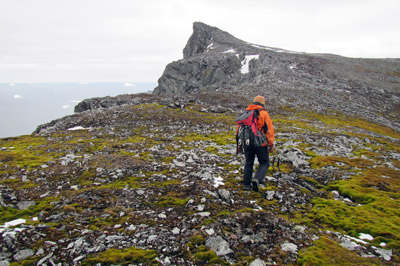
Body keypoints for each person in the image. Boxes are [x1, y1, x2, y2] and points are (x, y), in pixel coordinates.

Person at [241, 95, 275, 192]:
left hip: (247, 143)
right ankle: (257, 179)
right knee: (264, 163)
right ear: (262, 103)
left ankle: (246, 185)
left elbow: (239, 129)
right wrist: (270, 143)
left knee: (249, 163)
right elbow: (269, 130)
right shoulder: (264, 113)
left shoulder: (247, 113)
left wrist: (240, 144)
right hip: (260, 143)